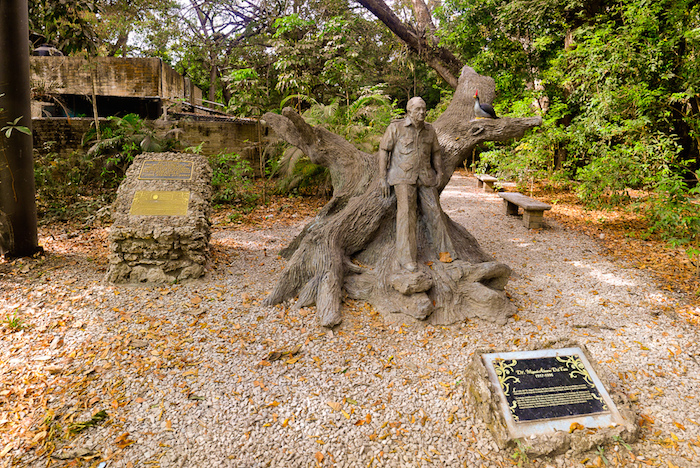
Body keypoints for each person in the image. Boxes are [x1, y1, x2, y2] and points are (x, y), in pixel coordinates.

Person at [379, 97, 457, 272]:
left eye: (424, 109)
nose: (422, 112)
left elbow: (436, 152)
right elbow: (384, 151)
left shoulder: (430, 130)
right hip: (402, 176)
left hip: (425, 176)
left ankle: (444, 251)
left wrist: (439, 172)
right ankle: (406, 258)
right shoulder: (396, 128)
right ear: (409, 111)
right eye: (418, 109)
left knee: (435, 212)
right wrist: (382, 178)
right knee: (406, 215)